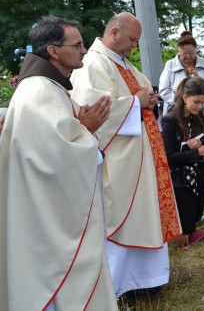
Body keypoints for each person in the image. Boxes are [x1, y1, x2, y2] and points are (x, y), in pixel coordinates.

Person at [0, 16, 118, 310]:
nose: (84, 51)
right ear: (53, 51)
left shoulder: (49, 89)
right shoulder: (39, 91)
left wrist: (80, 128)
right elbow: (53, 159)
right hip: (45, 224)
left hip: (44, 212)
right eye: (77, 45)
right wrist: (86, 129)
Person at [70, 12, 181, 297]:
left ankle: (147, 279)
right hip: (119, 165)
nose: (134, 45)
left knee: (146, 214)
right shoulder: (92, 63)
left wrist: (148, 100)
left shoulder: (124, 65)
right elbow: (89, 109)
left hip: (142, 160)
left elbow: (140, 99)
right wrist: (135, 102)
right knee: (123, 218)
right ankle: (122, 285)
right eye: (132, 39)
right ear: (115, 33)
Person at [160, 76, 204, 248]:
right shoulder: (169, 120)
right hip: (179, 178)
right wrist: (195, 152)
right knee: (185, 219)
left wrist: (200, 147)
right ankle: (181, 234)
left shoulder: (196, 118)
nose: (199, 107)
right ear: (185, 97)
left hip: (196, 173)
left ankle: (188, 230)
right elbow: (167, 158)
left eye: (203, 103)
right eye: (196, 102)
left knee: (196, 213)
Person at [159, 31, 204, 115]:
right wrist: (181, 102)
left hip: (202, 110)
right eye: (184, 54)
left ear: (195, 50)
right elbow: (164, 90)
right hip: (177, 110)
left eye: (191, 53)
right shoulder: (170, 65)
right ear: (179, 51)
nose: (188, 56)